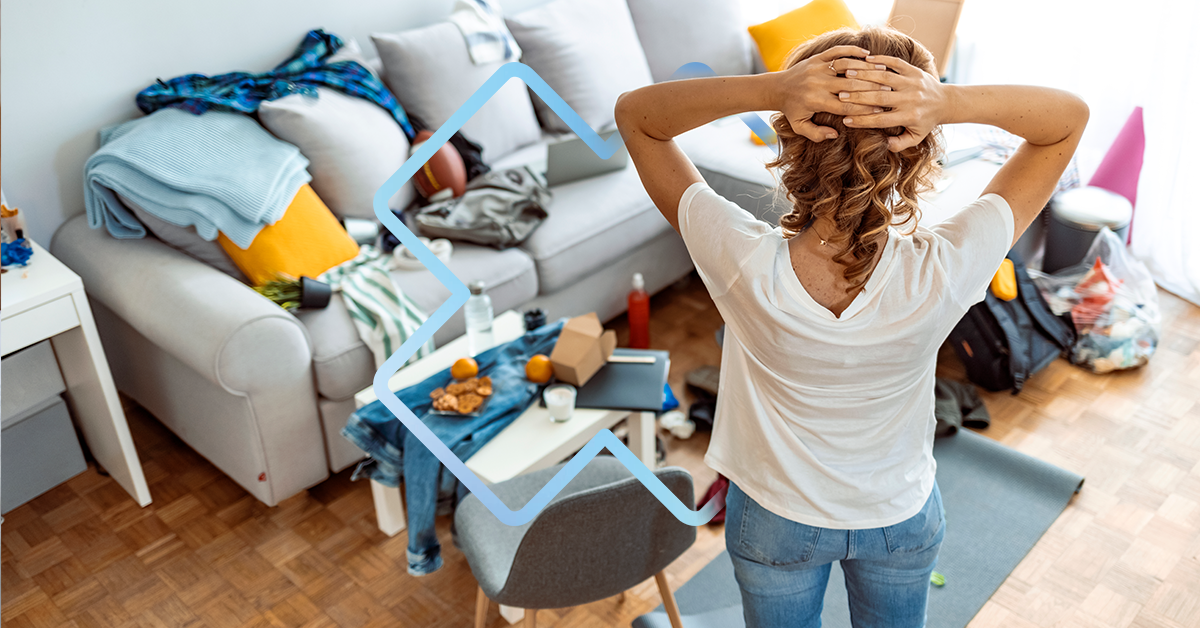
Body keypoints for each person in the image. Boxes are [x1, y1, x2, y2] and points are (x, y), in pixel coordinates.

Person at [614, 25, 1087, 628]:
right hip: (898, 518)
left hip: (774, 520)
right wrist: (946, 102)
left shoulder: (740, 259)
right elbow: (1067, 119)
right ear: (916, 147)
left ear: (792, 137)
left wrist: (774, 88)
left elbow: (636, 115)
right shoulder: (944, 268)